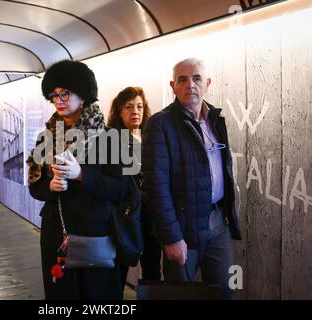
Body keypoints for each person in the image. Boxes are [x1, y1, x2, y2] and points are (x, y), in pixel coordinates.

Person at [27, 60, 128, 300]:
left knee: (98, 296)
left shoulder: (108, 137)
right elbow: (34, 186)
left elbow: (120, 188)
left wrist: (81, 175)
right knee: (60, 295)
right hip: (56, 232)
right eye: (54, 95)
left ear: (82, 96)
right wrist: (49, 187)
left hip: (96, 231)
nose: (58, 100)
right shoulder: (47, 137)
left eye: (65, 94)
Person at [142, 58, 242, 299]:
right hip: (182, 228)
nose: (190, 85)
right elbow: (156, 186)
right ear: (173, 86)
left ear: (207, 83)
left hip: (219, 223)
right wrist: (171, 237)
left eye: (196, 78)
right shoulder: (160, 124)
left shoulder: (215, 119)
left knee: (225, 292)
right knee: (182, 296)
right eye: (182, 80)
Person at [107, 87, 159, 289]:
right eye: (129, 107)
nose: (135, 111)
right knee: (119, 269)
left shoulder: (152, 137)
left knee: (152, 269)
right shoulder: (112, 140)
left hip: (150, 214)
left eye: (139, 106)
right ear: (119, 111)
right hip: (125, 215)